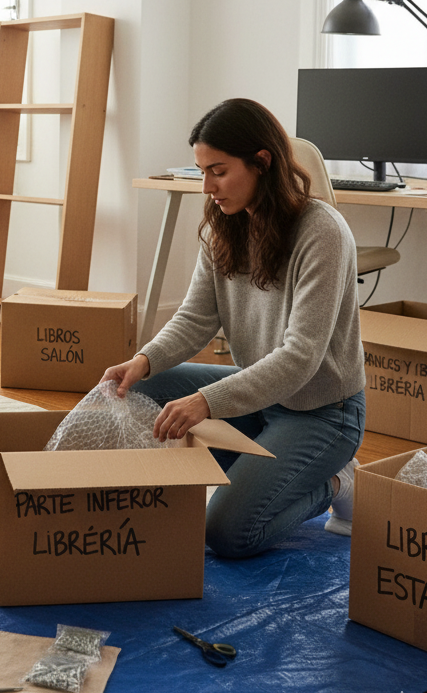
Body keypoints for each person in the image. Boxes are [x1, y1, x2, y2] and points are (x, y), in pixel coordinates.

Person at [102, 98, 365, 557]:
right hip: (261, 397)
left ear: (261, 162)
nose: (207, 187)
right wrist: (142, 361)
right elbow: (195, 318)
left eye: (218, 172)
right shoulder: (223, 226)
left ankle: (337, 481)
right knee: (139, 388)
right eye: (202, 172)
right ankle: (258, 467)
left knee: (228, 533)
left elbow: (300, 357)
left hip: (322, 411)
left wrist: (207, 401)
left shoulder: (322, 231)